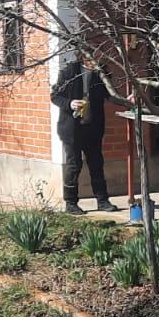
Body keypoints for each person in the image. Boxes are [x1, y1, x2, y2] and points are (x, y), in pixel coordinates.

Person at [50, 47, 119, 214]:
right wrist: (70, 103)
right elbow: (55, 96)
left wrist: (125, 100)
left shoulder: (101, 73)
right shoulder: (69, 72)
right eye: (93, 57)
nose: (96, 61)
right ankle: (71, 203)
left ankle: (102, 200)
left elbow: (110, 94)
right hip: (71, 129)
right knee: (74, 164)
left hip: (93, 127)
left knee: (96, 163)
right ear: (83, 57)